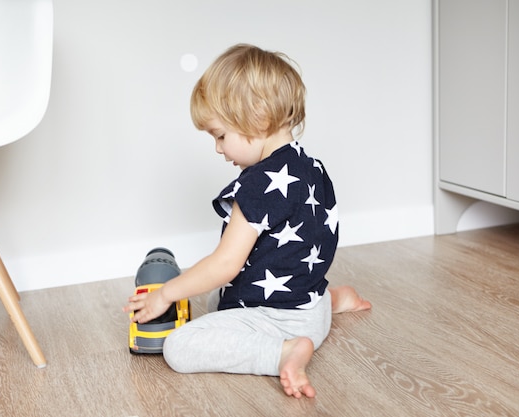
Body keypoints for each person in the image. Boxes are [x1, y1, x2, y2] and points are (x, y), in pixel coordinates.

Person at [123, 43, 371, 399]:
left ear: (257, 116)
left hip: (281, 324)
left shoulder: (257, 185)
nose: (218, 149)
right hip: (310, 309)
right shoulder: (312, 168)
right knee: (213, 301)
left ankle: (283, 353)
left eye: (220, 135)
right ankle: (332, 300)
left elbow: (225, 264)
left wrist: (166, 294)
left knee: (179, 347)